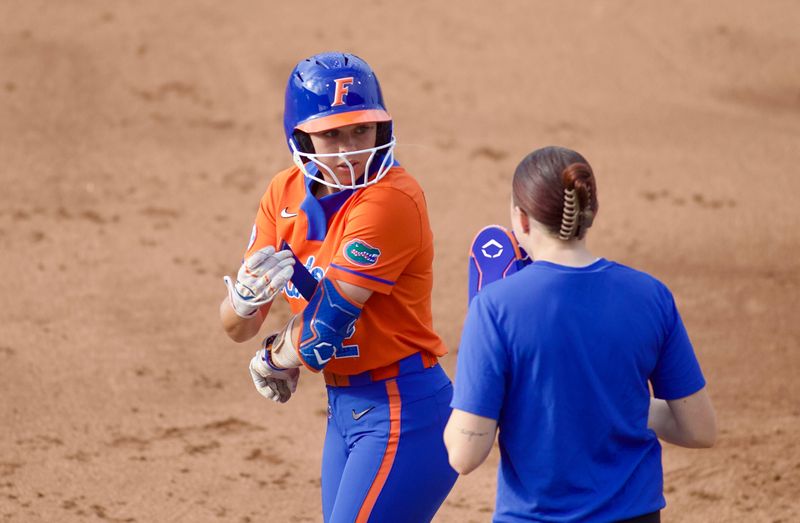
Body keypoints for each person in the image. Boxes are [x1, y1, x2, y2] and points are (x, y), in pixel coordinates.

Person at [219, 52, 457, 523]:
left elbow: (323, 331)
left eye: (360, 130)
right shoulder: (282, 194)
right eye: (331, 135)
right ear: (301, 136)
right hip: (344, 410)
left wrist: (274, 357)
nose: (348, 149)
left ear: (381, 129)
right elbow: (236, 328)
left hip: (403, 412)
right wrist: (243, 301)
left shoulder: (390, 198)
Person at [444, 146, 717, 523]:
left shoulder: (494, 308)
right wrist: (620, 403)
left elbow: (464, 454)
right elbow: (700, 429)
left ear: (521, 219)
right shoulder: (651, 295)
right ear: (591, 211)